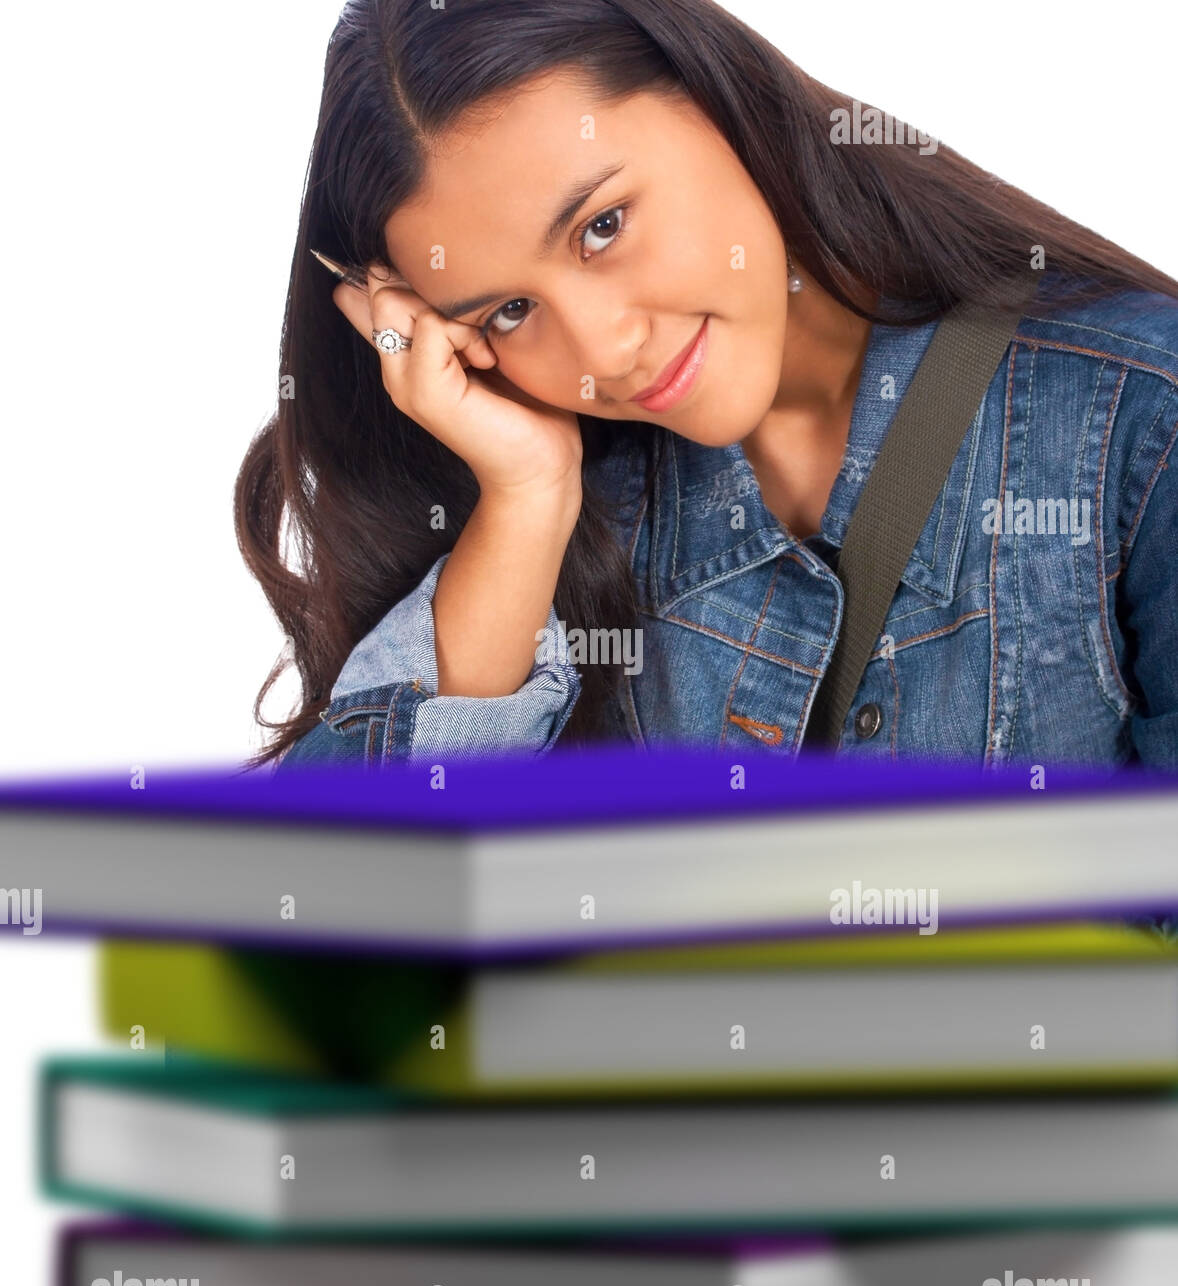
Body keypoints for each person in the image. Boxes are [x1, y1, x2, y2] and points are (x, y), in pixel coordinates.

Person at [237, 0, 1178, 773]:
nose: (605, 347)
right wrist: (526, 501)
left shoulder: (1138, 422)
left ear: (715, 98)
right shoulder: (567, 532)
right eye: (510, 312)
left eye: (602, 226)